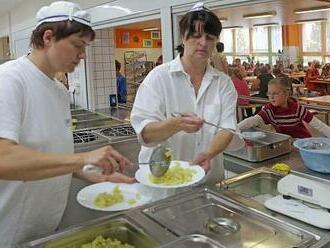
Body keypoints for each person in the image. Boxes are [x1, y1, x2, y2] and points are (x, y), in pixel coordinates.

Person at [0, 2, 134, 247]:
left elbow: (50, 157)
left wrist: (93, 175)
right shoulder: (10, 80)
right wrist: (82, 159)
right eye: (77, 45)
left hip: (44, 230)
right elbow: (4, 158)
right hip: (8, 232)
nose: (82, 55)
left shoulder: (59, 91)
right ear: (48, 37)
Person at [131, 2, 242, 192]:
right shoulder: (159, 78)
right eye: (196, 35)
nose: (203, 43)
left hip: (208, 179)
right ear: (183, 37)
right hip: (163, 182)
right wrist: (176, 124)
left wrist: (208, 154)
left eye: (210, 37)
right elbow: (145, 134)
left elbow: (227, 128)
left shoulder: (223, 83)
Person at [238, 77, 330, 138]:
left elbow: (319, 125)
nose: (271, 97)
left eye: (275, 93)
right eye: (269, 93)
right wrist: (233, 130)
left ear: (286, 94)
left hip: (303, 142)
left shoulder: (297, 109)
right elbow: (253, 120)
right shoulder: (269, 110)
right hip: (287, 143)